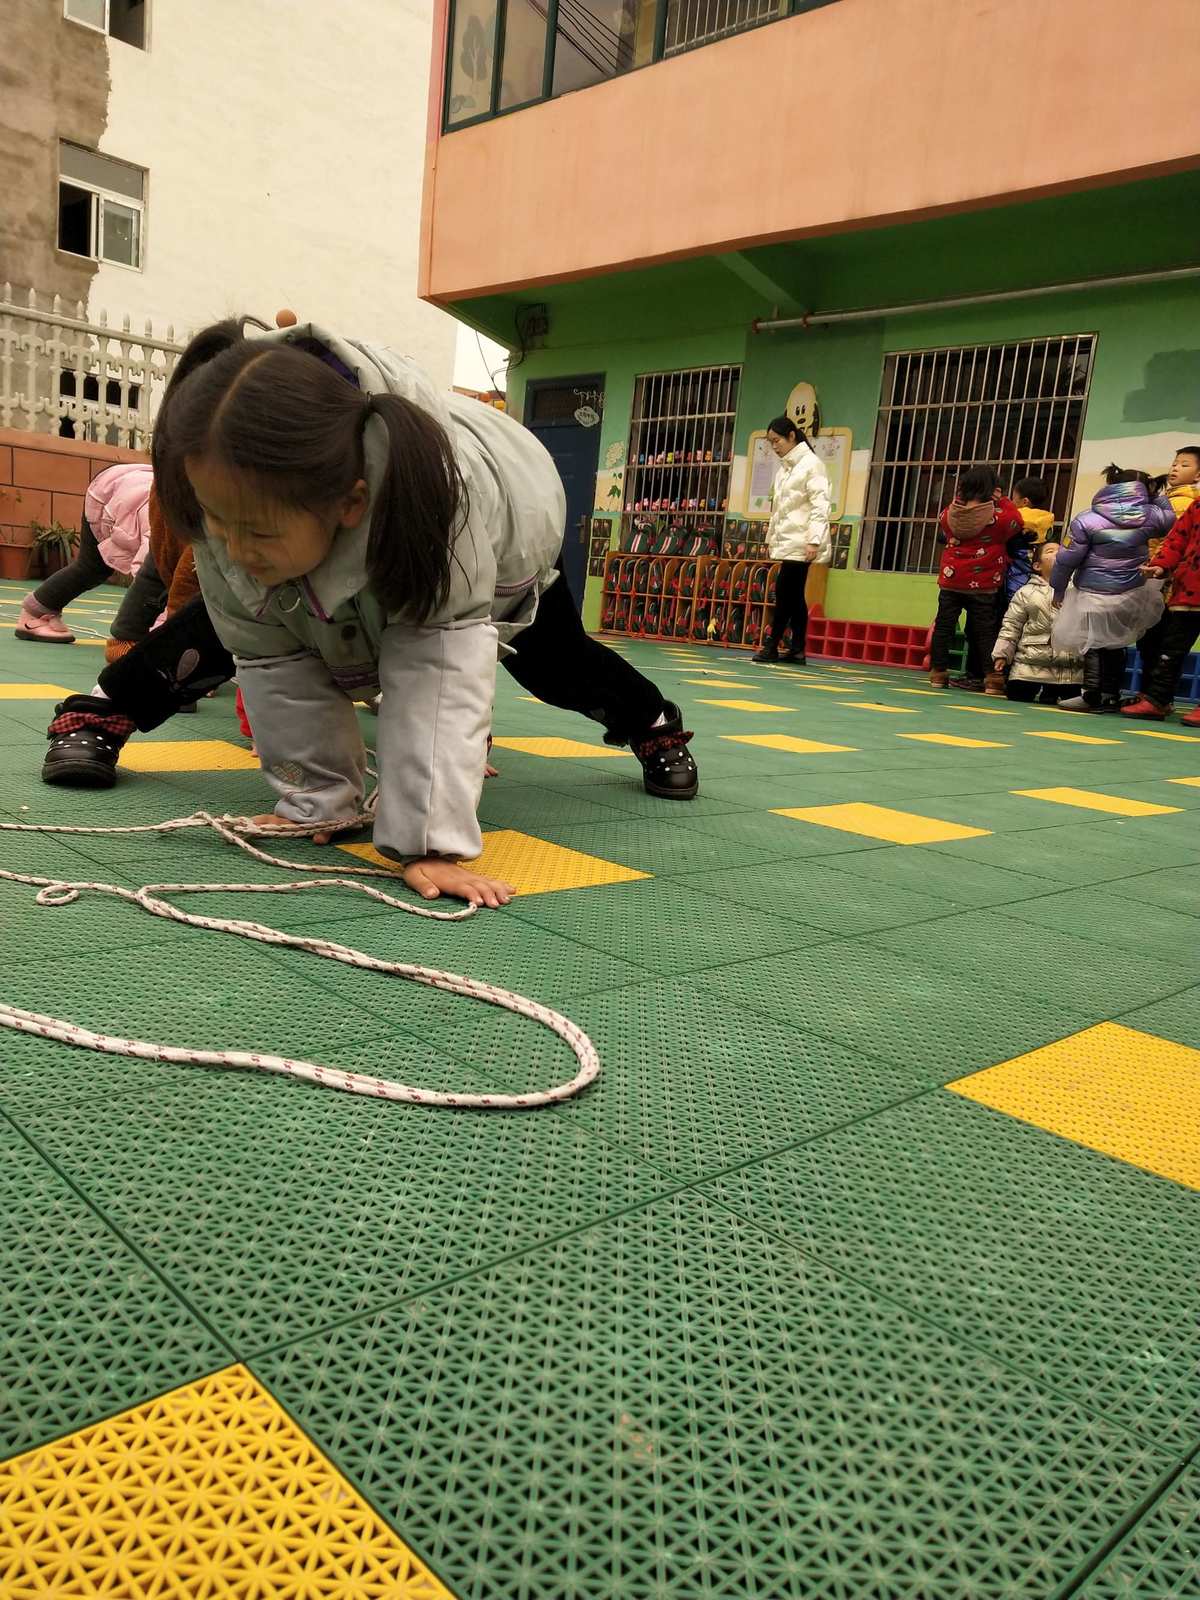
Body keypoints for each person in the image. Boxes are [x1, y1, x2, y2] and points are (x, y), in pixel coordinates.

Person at [40, 316, 699, 906]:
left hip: (490, 570)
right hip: (317, 557)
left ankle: (655, 724)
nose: (236, 549)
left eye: (258, 533)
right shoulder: (235, 512)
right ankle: (101, 715)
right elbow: (270, 663)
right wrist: (316, 799)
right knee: (221, 626)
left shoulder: (448, 506)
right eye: (218, 524)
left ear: (349, 503)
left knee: (557, 663)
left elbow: (438, 672)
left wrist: (428, 843)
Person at [1050, 465, 1175, 712]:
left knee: (1093, 642)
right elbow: (1170, 519)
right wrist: (1155, 494)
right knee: (1115, 642)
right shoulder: (1150, 515)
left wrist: (1058, 588)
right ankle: (1110, 693)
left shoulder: (1087, 519)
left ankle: (1092, 694)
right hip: (1133, 590)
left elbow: (1067, 558)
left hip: (1093, 591)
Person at [15, 461, 153, 643]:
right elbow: (148, 577)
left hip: (131, 485)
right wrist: (135, 635)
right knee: (92, 567)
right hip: (108, 491)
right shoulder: (166, 525)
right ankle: (34, 614)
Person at [928, 465, 1020, 694]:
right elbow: (1016, 522)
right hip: (984, 581)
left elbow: (943, 526)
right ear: (992, 489)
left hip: (952, 578)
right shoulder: (997, 517)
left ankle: (938, 673)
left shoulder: (951, 512)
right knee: (985, 631)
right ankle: (992, 678)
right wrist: (1004, 500)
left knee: (944, 625)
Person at [752, 415, 830, 665]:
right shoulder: (786, 468)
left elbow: (820, 505)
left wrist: (814, 541)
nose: (774, 447)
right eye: (771, 442)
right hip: (789, 542)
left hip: (803, 542)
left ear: (792, 436)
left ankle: (772, 646)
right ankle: (797, 650)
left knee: (785, 593)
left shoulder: (812, 465)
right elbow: (780, 510)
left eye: (777, 441)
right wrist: (771, 538)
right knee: (794, 596)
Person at [1121, 498, 1200, 724]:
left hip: (1189, 592)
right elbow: (1177, 539)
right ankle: (1157, 699)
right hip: (1188, 593)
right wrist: (1162, 565)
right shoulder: (1196, 506)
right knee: (1170, 651)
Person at [991, 542, 1082, 702]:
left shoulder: (1077, 590)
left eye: (1062, 551)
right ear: (1037, 565)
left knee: (1069, 700)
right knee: (1016, 696)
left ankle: (1052, 691)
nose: (1057, 553)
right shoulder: (1026, 592)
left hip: (1068, 670)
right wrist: (1002, 654)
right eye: (1050, 551)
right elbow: (1011, 625)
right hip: (1029, 664)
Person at [1006, 476, 1055, 600]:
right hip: (1037, 579)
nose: (1012, 502)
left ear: (1025, 501)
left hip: (1013, 577)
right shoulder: (1046, 522)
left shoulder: (1016, 521)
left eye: (1014, 498)